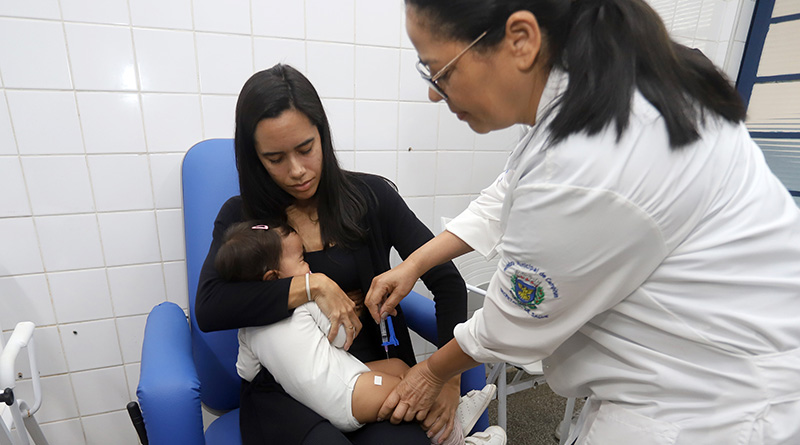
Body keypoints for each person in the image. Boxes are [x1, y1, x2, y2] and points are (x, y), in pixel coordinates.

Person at [364, 1, 800, 444]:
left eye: (441, 71)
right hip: (692, 365)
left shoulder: (594, 156)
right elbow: (507, 192)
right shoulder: (587, 92)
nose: (435, 93)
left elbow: (512, 320)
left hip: (709, 400)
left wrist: (433, 373)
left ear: (521, 40)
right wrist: (413, 263)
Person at [195, 64, 505, 445]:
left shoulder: (373, 198)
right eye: (275, 158)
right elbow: (211, 308)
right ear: (255, 157)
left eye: (305, 149)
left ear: (322, 135)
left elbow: (447, 282)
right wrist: (313, 285)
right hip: (284, 388)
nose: (296, 170)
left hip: (366, 374)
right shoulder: (243, 221)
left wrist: (446, 377)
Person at [213, 221, 501, 445]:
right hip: (346, 395)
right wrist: (346, 312)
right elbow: (341, 338)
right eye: (301, 259)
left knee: (400, 367)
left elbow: (248, 371)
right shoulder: (307, 300)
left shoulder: (248, 328)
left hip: (341, 382)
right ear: (273, 278)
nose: (308, 265)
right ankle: (454, 435)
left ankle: (450, 414)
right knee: (409, 393)